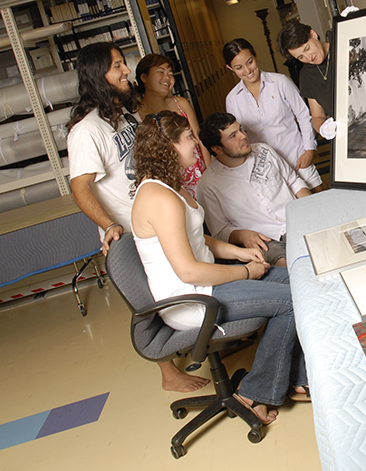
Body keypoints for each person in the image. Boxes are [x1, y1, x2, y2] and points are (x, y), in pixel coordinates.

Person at [132, 110, 308, 423]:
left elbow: (198, 238)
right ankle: (257, 392)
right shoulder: (160, 199)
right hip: (192, 298)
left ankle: (297, 377)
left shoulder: (168, 186)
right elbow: (189, 271)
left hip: (206, 284)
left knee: (299, 282)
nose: (195, 143)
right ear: (169, 147)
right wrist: (246, 271)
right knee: (293, 302)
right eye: (188, 137)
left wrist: (240, 253)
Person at [66, 42, 208, 394]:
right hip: (133, 230)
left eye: (123, 64)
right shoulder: (86, 131)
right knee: (148, 300)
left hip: (160, 218)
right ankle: (168, 373)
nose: (126, 70)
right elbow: (80, 187)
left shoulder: (127, 115)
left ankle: (204, 335)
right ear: (98, 74)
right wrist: (109, 225)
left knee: (183, 284)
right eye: (117, 66)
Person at [196, 112, 310, 268]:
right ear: (217, 149)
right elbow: (220, 231)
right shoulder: (208, 185)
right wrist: (243, 236)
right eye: (233, 136)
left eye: (240, 130)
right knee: (295, 268)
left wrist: (310, 207)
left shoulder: (264, 151)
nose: (243, 136)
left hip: (298, 219)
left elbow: (293, 181)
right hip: (266, 240)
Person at [223, 38, 323, 193]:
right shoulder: (232, 99)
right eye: (239, 67)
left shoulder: (280, 82)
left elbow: (303, 115)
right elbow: (237, 135)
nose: (247, 70)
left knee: (320, 201)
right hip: (266, 170)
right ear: (230, 68)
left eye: (250, 62)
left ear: (255, 55)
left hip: (297, 158)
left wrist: (309, 150)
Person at [135, 53, 209, 197]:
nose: (167, 78)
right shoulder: (137, 115)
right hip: (174, 184)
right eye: (161, 72)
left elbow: (200, 139)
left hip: (200, 173)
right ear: (144, 77)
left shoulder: (181, 103)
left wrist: (210, 173)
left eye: (170, 74)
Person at [278, 22, 336, 140]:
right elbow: (317, 116)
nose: (309, 58)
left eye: (307, 48)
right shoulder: (306, 75)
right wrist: (322, 128)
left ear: (313, 34)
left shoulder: (344, 47)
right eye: (300, 57)